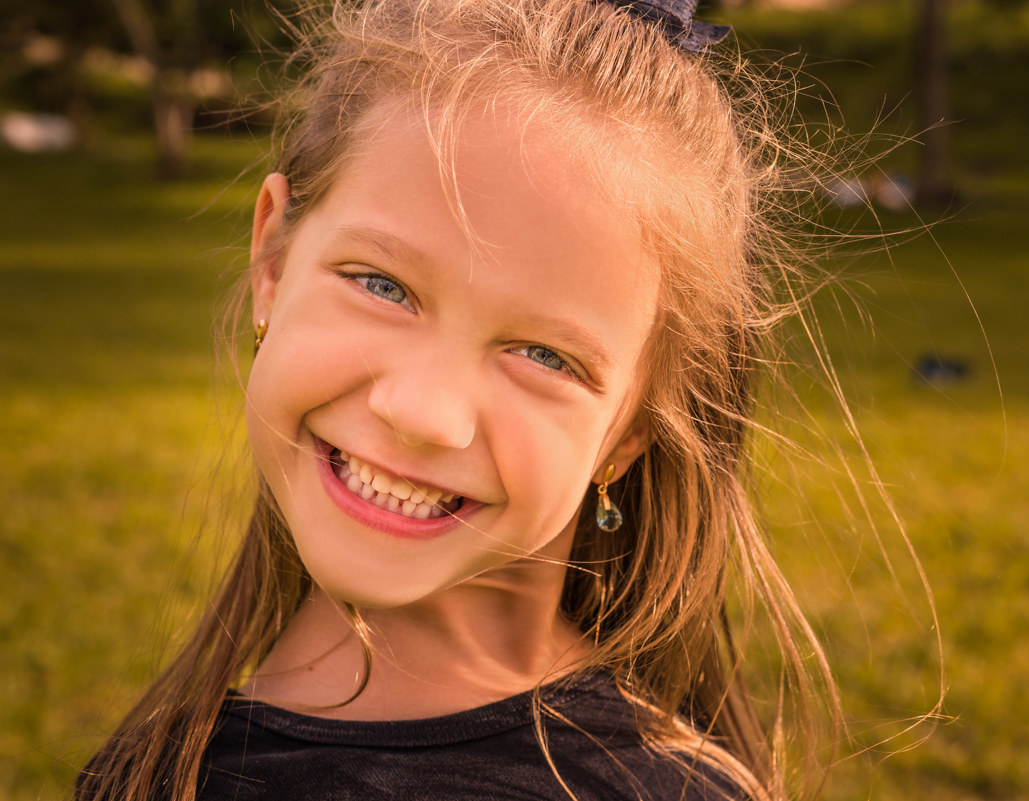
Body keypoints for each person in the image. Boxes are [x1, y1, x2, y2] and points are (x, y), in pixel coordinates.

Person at [76, 0, 918, 798]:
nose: (424, 411)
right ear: (272, 261)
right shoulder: (157, 780)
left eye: (544, 354)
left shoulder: (687, 784)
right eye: (381, 284)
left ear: (630, 432)